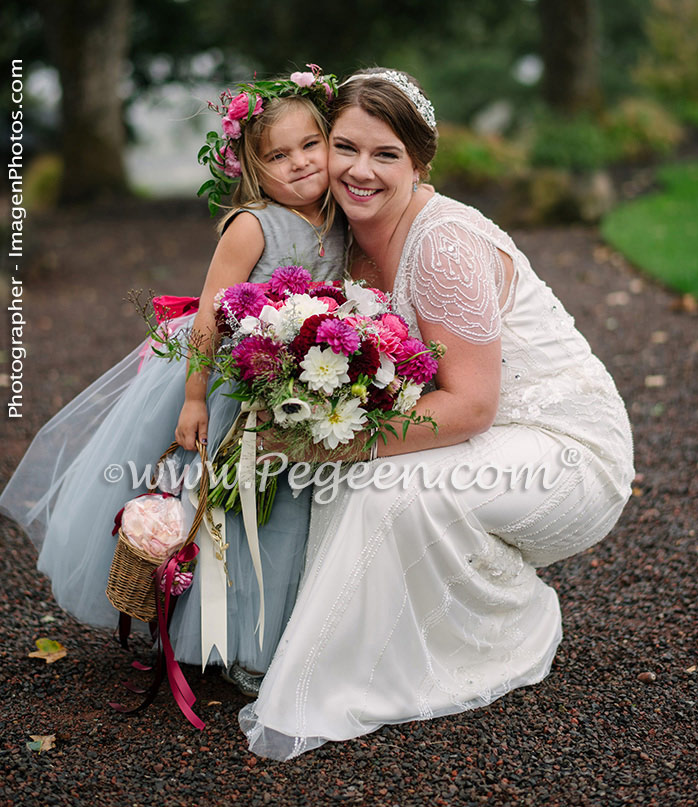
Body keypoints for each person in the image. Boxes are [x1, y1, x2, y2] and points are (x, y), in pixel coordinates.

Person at [238, 68, 634, 758]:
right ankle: (361, 634)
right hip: (475, 432)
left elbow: (474, 403)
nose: (360, 171)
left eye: (385, 154)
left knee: (380, 485)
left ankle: (506, 622)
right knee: (340, 481)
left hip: (562, 444)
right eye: (345, 147)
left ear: (419, 164)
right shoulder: (340, 238)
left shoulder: (445, 243)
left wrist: (340, 443)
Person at [0, 67, 347, 696]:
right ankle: (235, 644)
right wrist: (193, 396)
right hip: (232, 387)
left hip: (300, 393)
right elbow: (212, 310)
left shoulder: (342, 218)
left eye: (310, 145)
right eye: (277, 154)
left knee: (293, 514)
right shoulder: (255, 225)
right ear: (248, 165)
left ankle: (280, 631)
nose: (298, 163)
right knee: (234, 516)